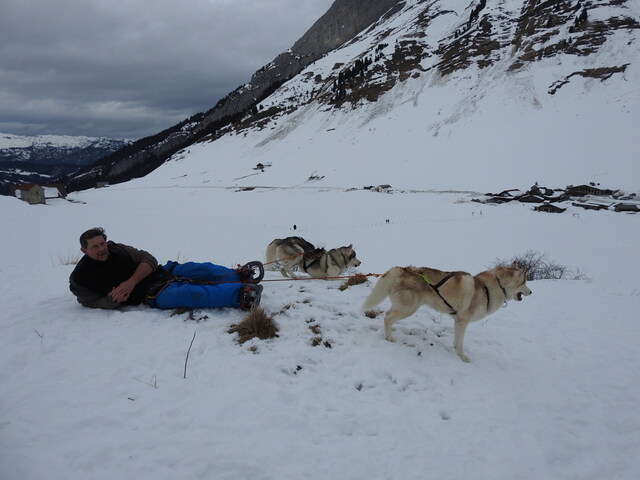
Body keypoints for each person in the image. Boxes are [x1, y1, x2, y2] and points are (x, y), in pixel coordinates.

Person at [69, 227, 263, 311]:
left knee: (201, 269)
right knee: (191, 294)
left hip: (162, 272)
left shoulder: (117, 249)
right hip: (151, 294)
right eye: (95, 247)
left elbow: (148, 259)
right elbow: (88, 301)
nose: (102, 249)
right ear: (83, 250)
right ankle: (241, 295)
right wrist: (112, 300)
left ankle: (239, 276)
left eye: (102, 243)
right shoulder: (81, 278)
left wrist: (130, 282)